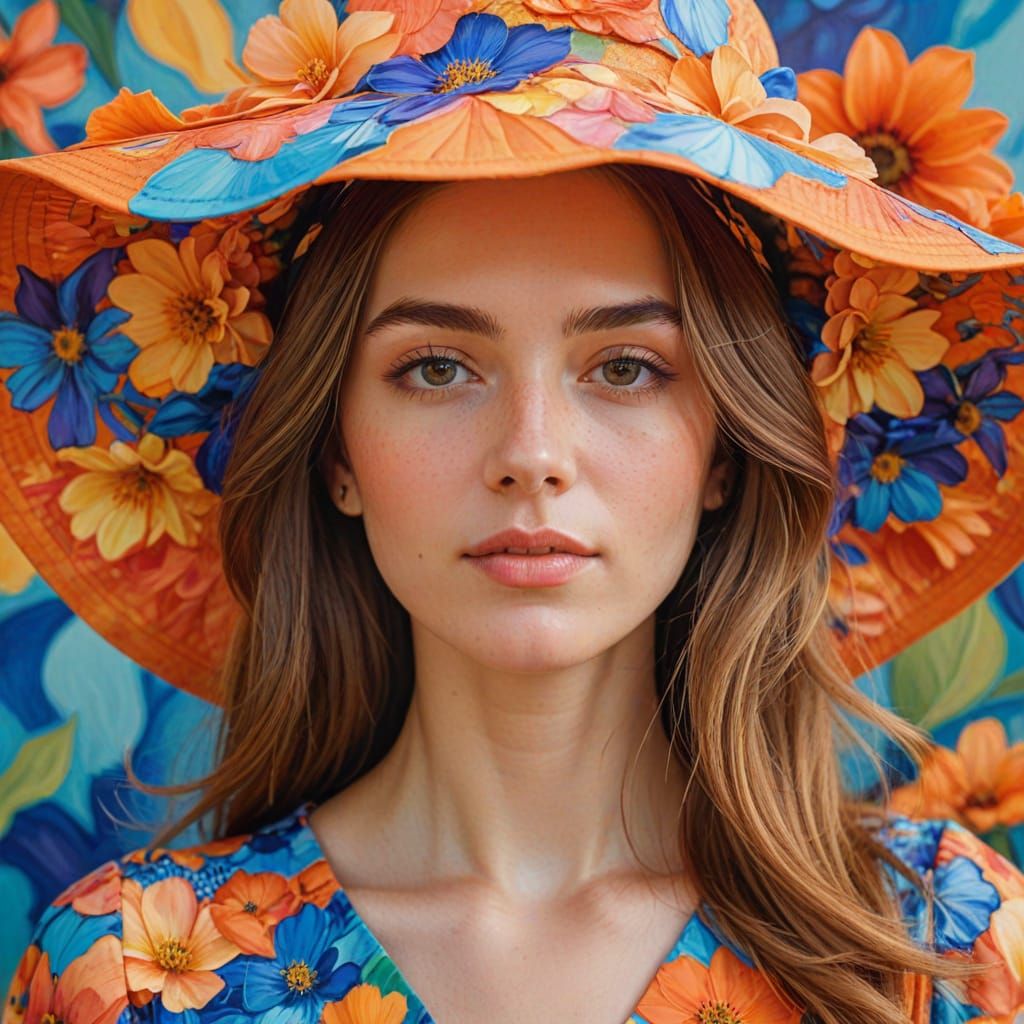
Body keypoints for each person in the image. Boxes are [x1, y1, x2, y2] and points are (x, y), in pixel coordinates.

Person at [3, 3, 1024, 1023]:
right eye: (437, 367)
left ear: (724, 448)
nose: (531, 453)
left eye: (625, 367)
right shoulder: (133, 974)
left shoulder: (947, 946)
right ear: (335, 452)